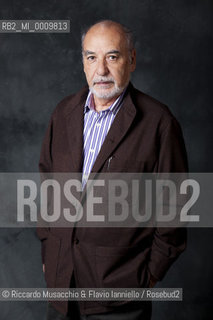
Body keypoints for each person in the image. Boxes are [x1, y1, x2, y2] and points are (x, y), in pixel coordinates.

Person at [37, 20, 188, 320]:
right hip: (61, 288)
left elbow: (176, 207)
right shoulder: (63, 113)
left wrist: (148, 276)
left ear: (131, 59)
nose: (101, 70)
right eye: (92, 57)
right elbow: (47, 185)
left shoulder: (159, 123)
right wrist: (48, 249)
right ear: (83, 62)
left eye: (112, 56)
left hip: (120, 298)